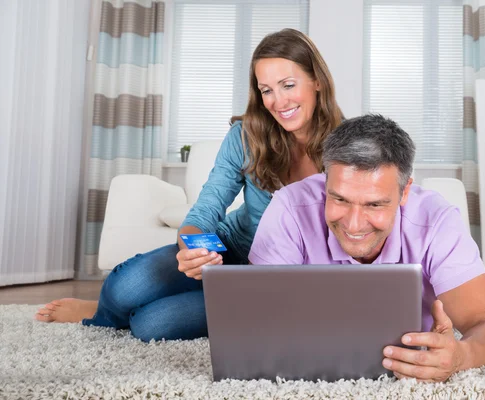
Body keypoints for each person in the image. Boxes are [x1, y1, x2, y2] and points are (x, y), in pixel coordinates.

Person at [35, 28, 344, 341]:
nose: (278, 101)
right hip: (227, 247)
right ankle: (102, 313)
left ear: (316, 81)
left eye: (288, 85)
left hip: (268, 277)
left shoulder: (349, 148)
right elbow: (207, 208)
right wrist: (193, 250)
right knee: (125, 286)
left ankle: (130, 316)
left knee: (152, 325)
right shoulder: (246, 136)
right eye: (267, 90)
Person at [248, 114, 485, 382]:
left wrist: (462, 355)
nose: (353, 224)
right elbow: (256, 323)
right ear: (325, 180)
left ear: (405, 191)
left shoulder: (436, 221)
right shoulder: (288, 209)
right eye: (339, 199)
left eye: (374, 205)